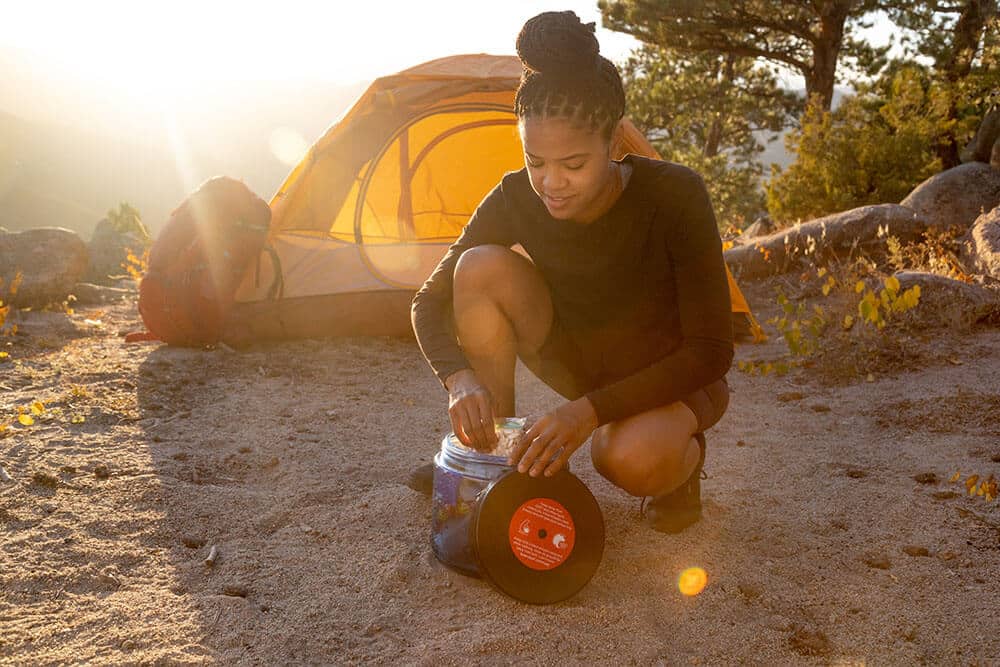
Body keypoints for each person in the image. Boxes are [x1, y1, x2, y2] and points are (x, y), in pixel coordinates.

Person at [410, 10, 733, 533]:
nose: (551, 182)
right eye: (536, 161)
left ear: (613, 143)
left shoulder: (675, 194)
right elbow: (429, 299)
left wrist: (586, 413)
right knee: (479, 266)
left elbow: (712, 350)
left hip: (674, 375)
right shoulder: (516, 195)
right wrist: (458, 377)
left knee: (625, 457)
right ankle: (498, 456)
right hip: (585, 359)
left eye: (574, 165)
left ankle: (682, 469)